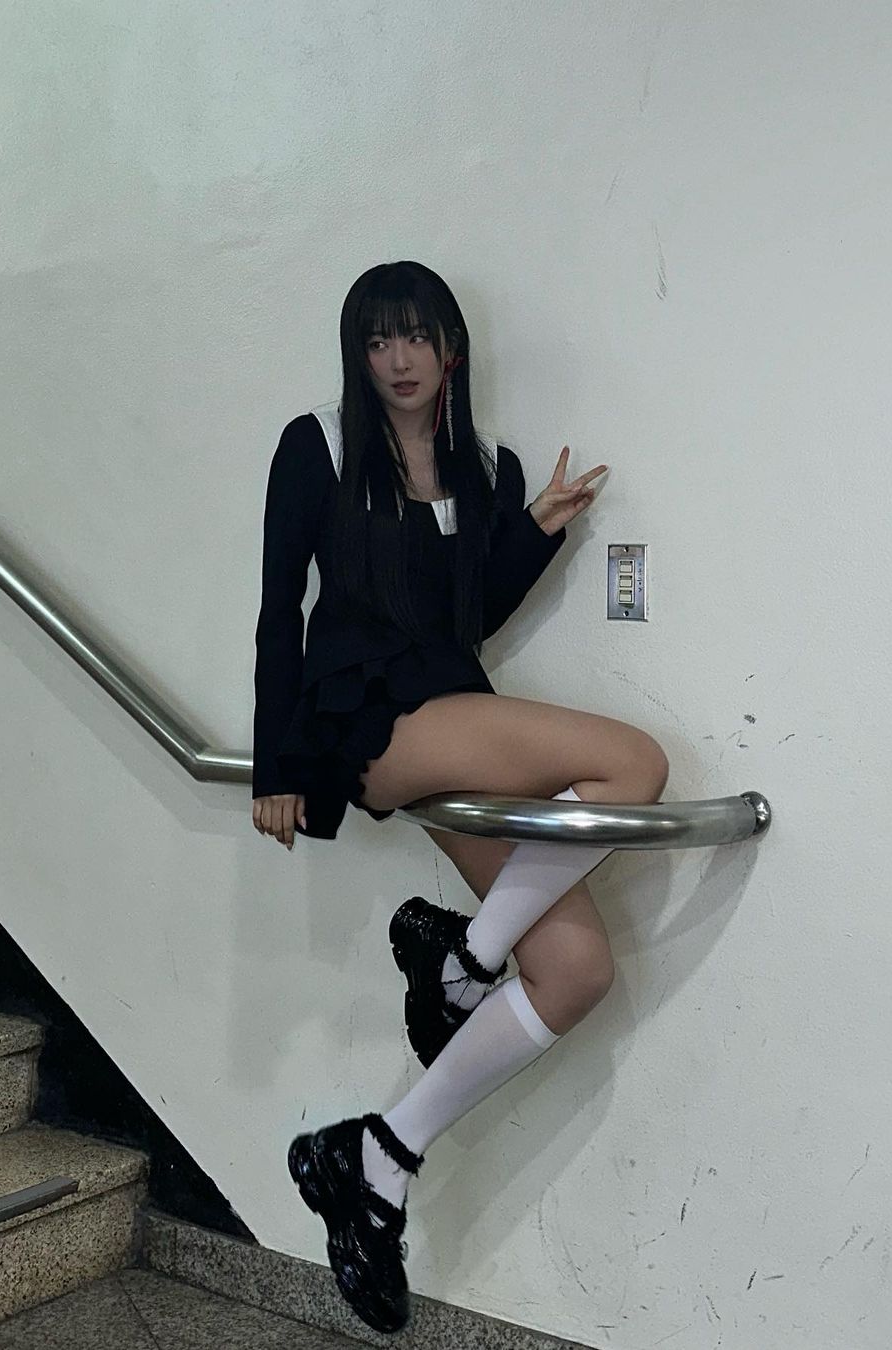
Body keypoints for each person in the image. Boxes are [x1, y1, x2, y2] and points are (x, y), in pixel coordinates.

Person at [252, 261, 669, 1334]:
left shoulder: (488, 465)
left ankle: (379, 1154)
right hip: (367, 716)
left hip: (446, 701)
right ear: (359, 353)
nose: (398, 360)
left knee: (575, 970)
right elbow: (280, 608)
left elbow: (463, 619)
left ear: (452, 350)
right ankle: (462, 966)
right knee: (635, 765)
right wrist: (275, 765)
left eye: (416, 337)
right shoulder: (319, 446)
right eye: (377, 339)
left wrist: (536, 529)